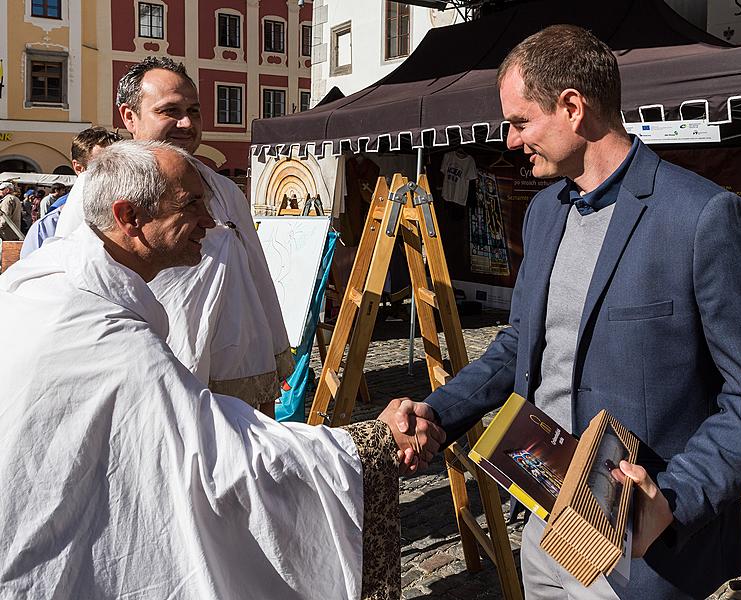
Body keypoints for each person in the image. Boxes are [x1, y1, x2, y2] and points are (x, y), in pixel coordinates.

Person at [398, 25, 741, 599]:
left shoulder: (702, 218)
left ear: (572, 108)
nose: (510, 141)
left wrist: (674, 499)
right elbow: (522, 343)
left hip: (644, 550)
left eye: (519, 122)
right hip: (544, 521)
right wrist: (438, 413)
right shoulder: (543, 212)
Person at [0, 140, 443, 599]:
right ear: (129, 217)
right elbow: (227, 459)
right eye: (191, 205)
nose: (210, 221)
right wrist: (371, 443)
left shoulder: (43, 280)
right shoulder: (110, 338)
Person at [54, 57, 292, 416]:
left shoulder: (225, 190)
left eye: (193, 111)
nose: (186, 123)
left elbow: (256, 277)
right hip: (150, 377)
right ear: (129, 117)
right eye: (170, 110)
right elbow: (75, 285)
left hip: (235, 377)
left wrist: (270, 357)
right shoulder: (96, 186)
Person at [21, 126, 120, 258]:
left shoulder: (136, 218)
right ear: (79, 168)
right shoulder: (46, 228)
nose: (115, 173)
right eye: (103, 166)